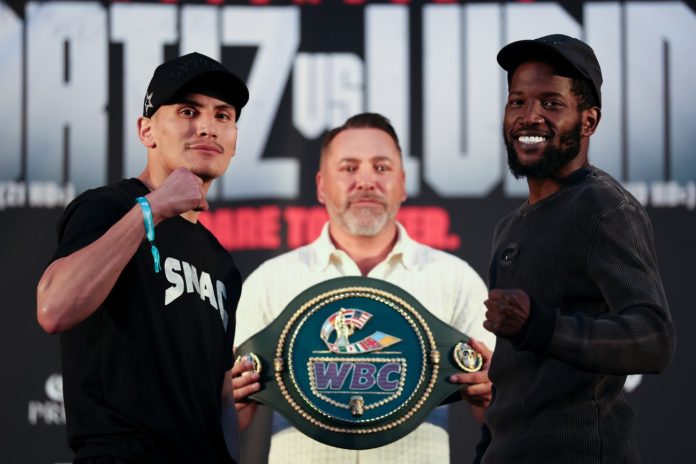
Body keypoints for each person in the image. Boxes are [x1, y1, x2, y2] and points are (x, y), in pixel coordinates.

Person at [232, 112, 495, 463]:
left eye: (381, 168)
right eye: (349, 168)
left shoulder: (455, 279)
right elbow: (234, 418)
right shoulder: (270, 280)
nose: (366, 181)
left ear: (403, 183)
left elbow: (493, 413)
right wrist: (229, 398)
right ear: (322, 186)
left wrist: (494, 392)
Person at [36, 52, 252, 463]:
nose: (208, 126)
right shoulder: (109, 207)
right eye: (188, 111)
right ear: (146, 130)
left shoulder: (221, 263)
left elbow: (219, 401)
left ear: (234, 140)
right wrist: (153, 208)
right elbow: (53, 308)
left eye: (223, 116)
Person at [476, 34, 676, 463]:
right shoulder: (510, 227)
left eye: (551, 103)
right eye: (517, 102)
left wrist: (540, 325)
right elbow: (515, 378)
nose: (529, 117)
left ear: (588, 122)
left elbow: (653, 339)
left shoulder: (604, 208)